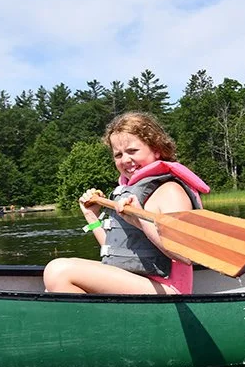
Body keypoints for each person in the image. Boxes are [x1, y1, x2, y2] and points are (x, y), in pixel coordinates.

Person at [43, 111, 210, 294]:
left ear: (157, 149)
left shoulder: (170, 191)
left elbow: (186, 255)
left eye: (132, 151)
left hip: (169, 289)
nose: (125, 160)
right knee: (53, 287)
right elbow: (114, 250)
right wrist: (91, 216)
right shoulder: (129, 192)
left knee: (58, 271)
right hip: (139, 283)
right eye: (118, 155)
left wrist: (141, 222)